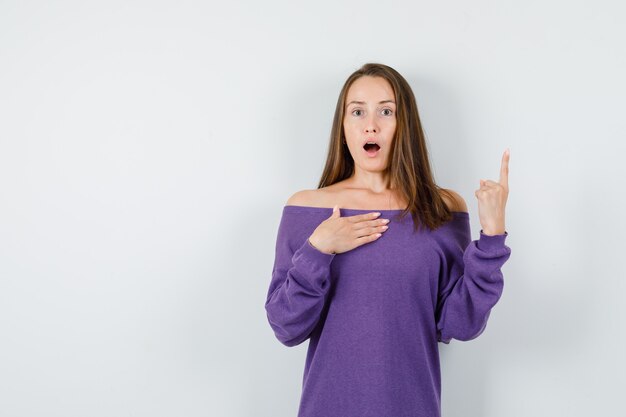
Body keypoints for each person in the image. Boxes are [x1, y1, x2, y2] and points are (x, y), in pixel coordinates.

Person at [264, 63, 511, 417]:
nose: (371, 124)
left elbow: (460, 323)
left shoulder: (441, 209)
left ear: (403, 124)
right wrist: (318, 249)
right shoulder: (307, 208)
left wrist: (492, 235)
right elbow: (286, 326)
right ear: (343, 126)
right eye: (357, 111)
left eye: (386, 110)